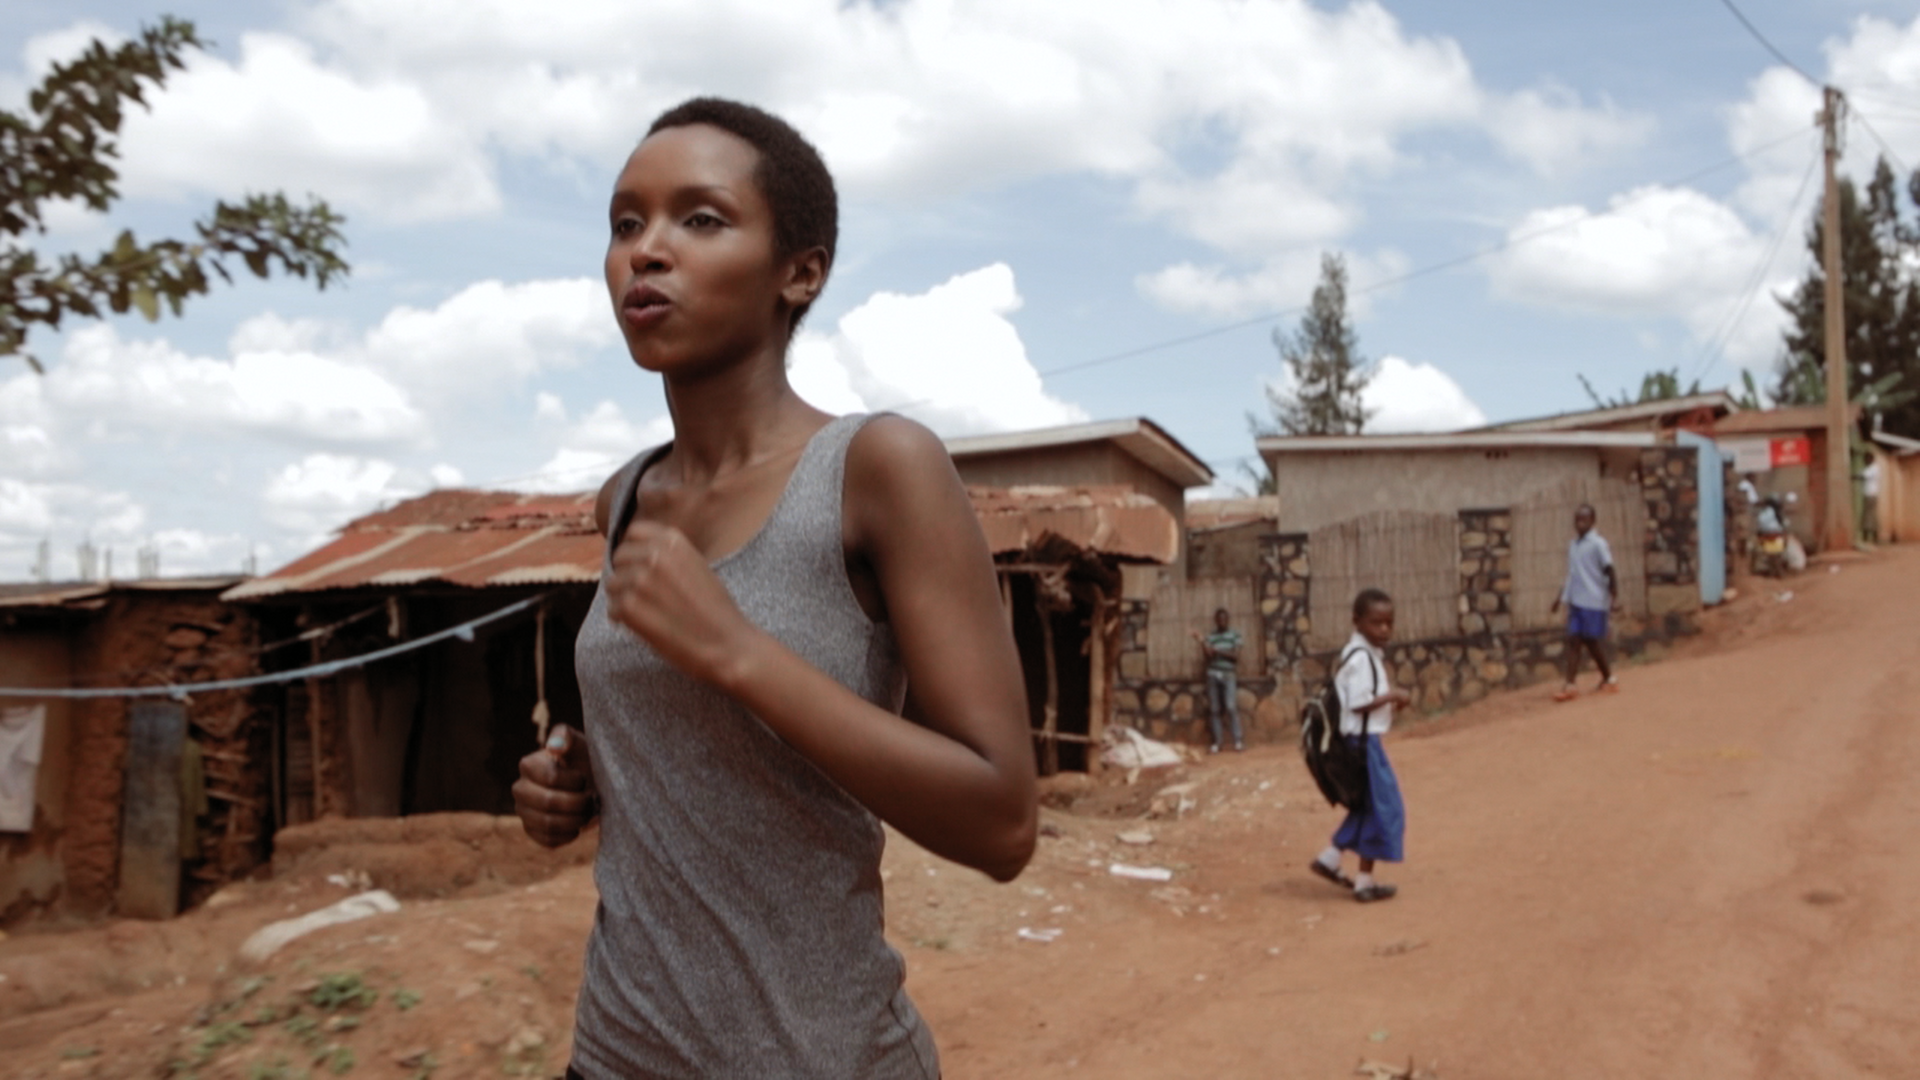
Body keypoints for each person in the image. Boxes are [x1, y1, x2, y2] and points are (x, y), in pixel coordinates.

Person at [511, 97, 1038, 1080]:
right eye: (626, 223)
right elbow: (696, 757)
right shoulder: (624, 499)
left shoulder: (878, 468)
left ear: (801, 272)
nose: (645, 251)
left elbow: (1004, 824)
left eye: (700, 218)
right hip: (614, 1053)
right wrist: (579, 778)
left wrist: (739, 654)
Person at [1307, 587, 1410, 903]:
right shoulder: (1363, 659)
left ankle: (1336, 862)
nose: (1384, 630)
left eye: (1389, 623)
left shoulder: (1360, 654)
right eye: (1376, 623)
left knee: (1369, 807)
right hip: (1364, 746)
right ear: (1357, 622)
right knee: (1386, 809)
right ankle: (1359, 879)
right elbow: (1358, 702)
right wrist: (1393, 696)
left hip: (1360, 741)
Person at [1549, 503, 1620, 702]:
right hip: (1577, 600)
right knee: (1575, 640)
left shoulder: (1598, 544)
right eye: (1577, 520)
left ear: (1592, 521)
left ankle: (1607, 679)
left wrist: (1614, 596)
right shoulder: (1573, 545)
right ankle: (1572, 685)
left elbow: (1609, 570)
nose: (1580, 523)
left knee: (1588, 641)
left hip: (1594, 600)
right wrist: (1559, 599)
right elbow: (1572, 575)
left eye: (1584, 519)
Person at [1191, 607, 1243, 753]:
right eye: (1219, 619)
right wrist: (1201, 641)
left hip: (1228, 675)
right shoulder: (1211, 636)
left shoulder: (1235, 635)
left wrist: (1217, 651)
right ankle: (1217, 742)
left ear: (1228, 620)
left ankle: (1238, 740)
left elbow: (1235, 656)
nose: (1222, 622)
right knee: (1214, 709)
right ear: (1216, 621)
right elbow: (1208, 656)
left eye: (1224, 619)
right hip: (1213, 674)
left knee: (1231, 707)